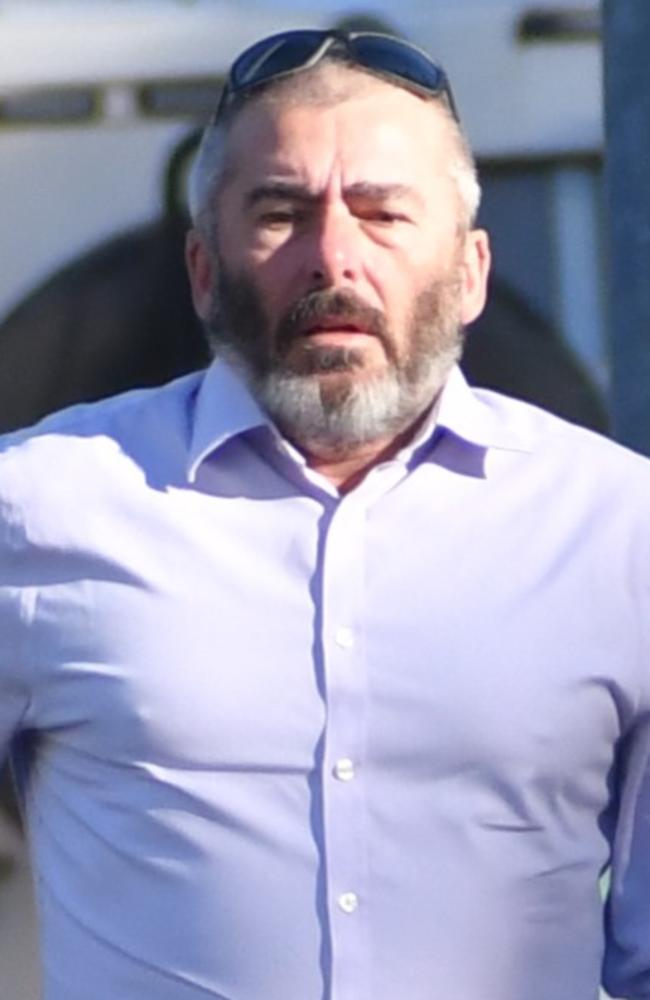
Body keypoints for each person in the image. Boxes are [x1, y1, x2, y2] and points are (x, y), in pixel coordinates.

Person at [0, 28, 648, 1000]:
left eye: (383, 213)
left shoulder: (616, 528)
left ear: (471, 271)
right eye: (279, 212)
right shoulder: (36, 506)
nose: (332, 257)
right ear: (202, 270)